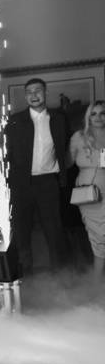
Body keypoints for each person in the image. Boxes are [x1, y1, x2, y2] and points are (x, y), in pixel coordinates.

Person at [5, 77, 70, 275]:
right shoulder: (15, 120)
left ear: (45, 92)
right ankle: (24, 276)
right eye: (29, 92)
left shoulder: (59, 118)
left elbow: (66, 148)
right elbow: (6, 152)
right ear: (26, 96)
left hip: (48, 182)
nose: (34, 95)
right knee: (21, 230)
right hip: (21, 183)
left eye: (38, 90)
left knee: (54, 230)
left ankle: (61, 276)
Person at [69, 100, 105, 281]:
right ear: (88, 117)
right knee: (99, 235)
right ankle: (97, 281)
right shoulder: (79, 137)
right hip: (88, 192)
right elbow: (67, 162)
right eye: (94, 113)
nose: (98, 117)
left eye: (102, 113)